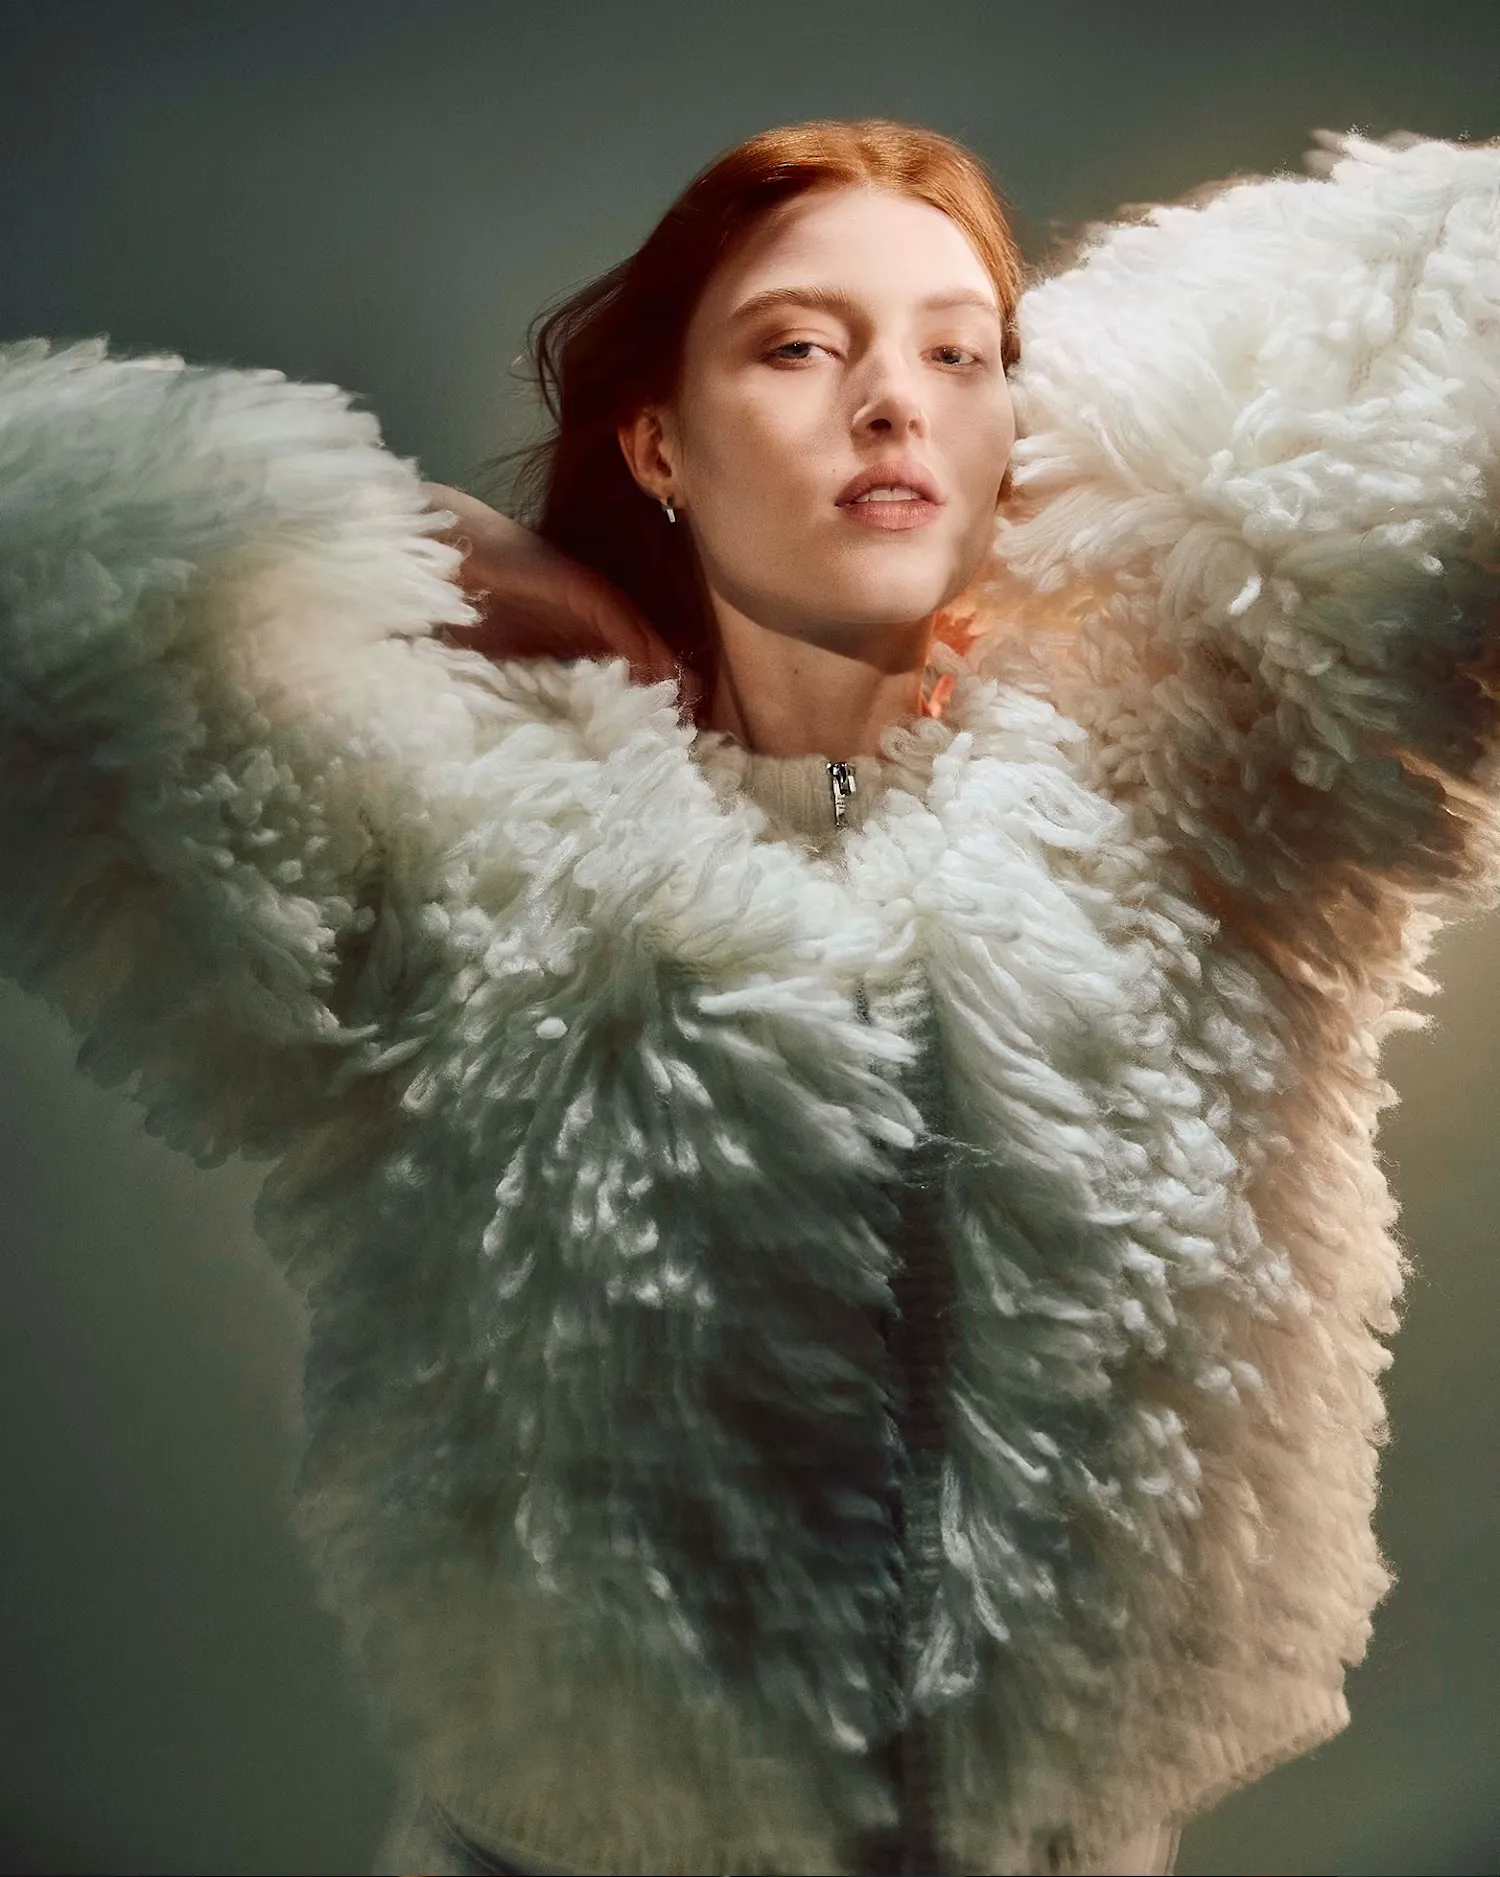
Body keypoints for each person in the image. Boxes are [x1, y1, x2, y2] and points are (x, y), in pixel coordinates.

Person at [0, 117, 1496, 1877]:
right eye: (799, 345)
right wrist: (472, 566)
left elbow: (1441, 314)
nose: (893, 402)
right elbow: (53, 553)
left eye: (962, 353)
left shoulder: (1212, 787)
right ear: (656, 438)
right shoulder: (456, 828)